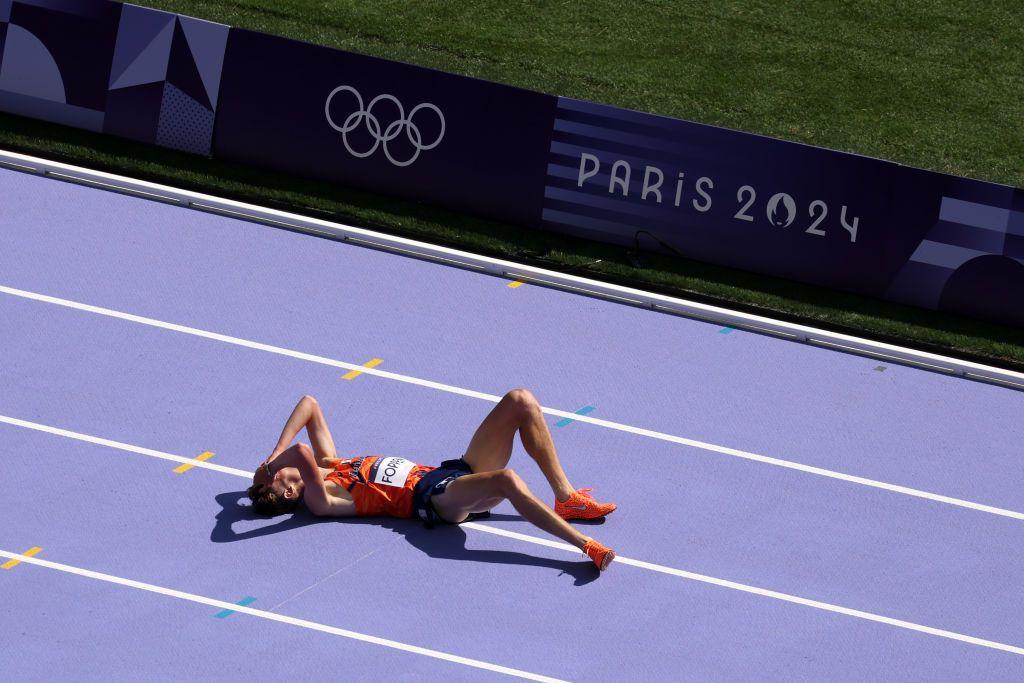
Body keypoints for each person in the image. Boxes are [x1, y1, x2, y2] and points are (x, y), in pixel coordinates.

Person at [248, 391, 617, 570]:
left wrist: (266, 467)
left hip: (450, 471)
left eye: (273, 475)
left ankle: (566, 497)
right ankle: (584, 545)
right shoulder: (320, 498)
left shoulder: (332, 461)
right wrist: (270, 462)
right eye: (278, 481)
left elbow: (309, 403)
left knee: (521, 401)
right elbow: (299, 452)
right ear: (291, 490)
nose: (278, 474)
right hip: (436, 500)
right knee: (507, 480)